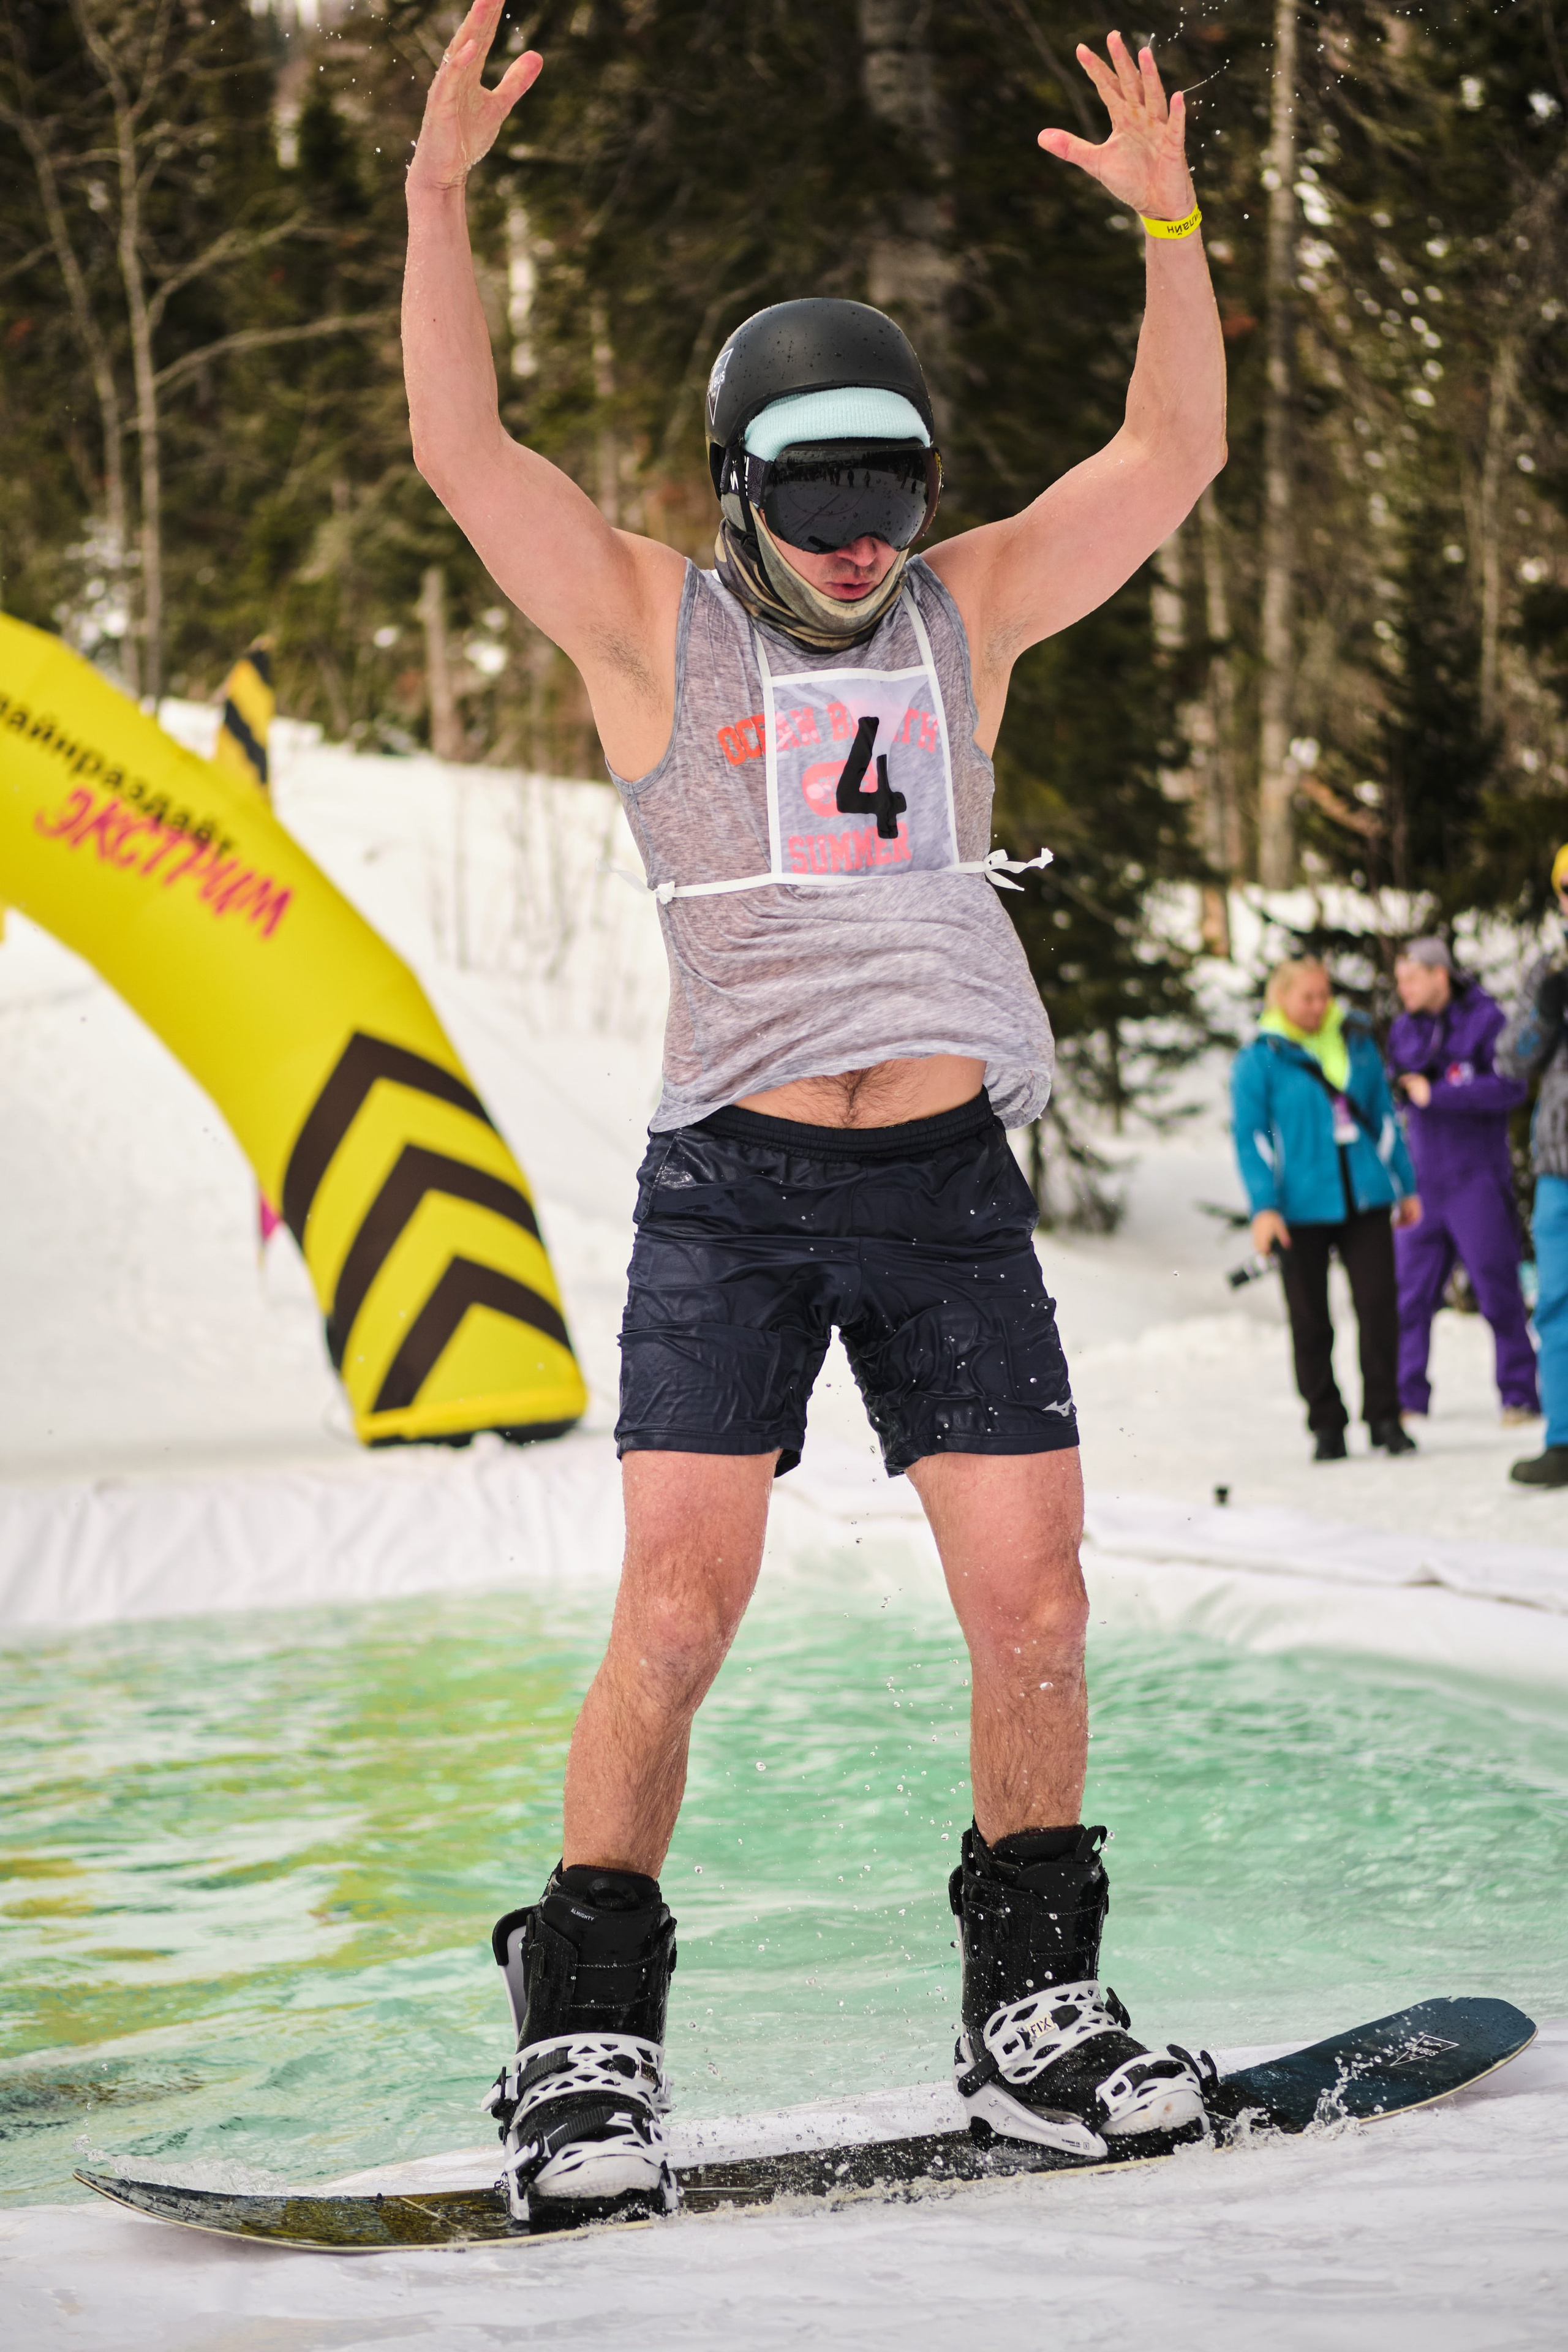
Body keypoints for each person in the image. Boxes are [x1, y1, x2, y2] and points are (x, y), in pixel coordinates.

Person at [404, 4, 1226, 2220]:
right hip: (735, 1188)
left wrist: (1164, 223)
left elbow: (1161, 462)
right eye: (816, 503)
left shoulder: (964, 618)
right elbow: (471, 454)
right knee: (675, 1609)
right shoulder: (648, 633)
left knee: (1032, 1604)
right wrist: (435, 197)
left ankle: (1031, 2024)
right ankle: (581, 2049)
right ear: (739, 488)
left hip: (942, 1186)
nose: (859, 549)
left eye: (890, 499)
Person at [1232, 957, 1420, 1461]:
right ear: (1281, 999)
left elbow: (1383, 1118)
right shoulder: (1259, 1058)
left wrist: (1405, 1185)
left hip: (1366, 1196)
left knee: (1379, 1306)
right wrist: (1264, 1208)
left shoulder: (1356, 1041)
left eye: (1324, 995)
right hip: (1299, 1206)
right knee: (1311, 1319)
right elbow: (1251, 1139)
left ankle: (1385, 1416)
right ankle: (1326, 1423)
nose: (1319, 1006)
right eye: (1307, 998)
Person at [1385, 938, 1537, 1426]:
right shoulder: (1405, 1029)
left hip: (1476, 1179)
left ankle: (1519, 1394)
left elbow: (1511, 1086)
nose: (1402, 988)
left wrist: (1443, 1094)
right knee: (1409, 1295)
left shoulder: (1487, 1020)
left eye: (1411, 978)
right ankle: (1407, 1397)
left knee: (1497, 1288)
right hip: (1423, 1181)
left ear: (1439, 975)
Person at [1497, 845, 1568, 1487]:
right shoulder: (1547, 969)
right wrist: (1546, 1012)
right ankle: (1564, 1439)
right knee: (1554, 1303)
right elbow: (1510, 1063)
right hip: (1557, 1164)